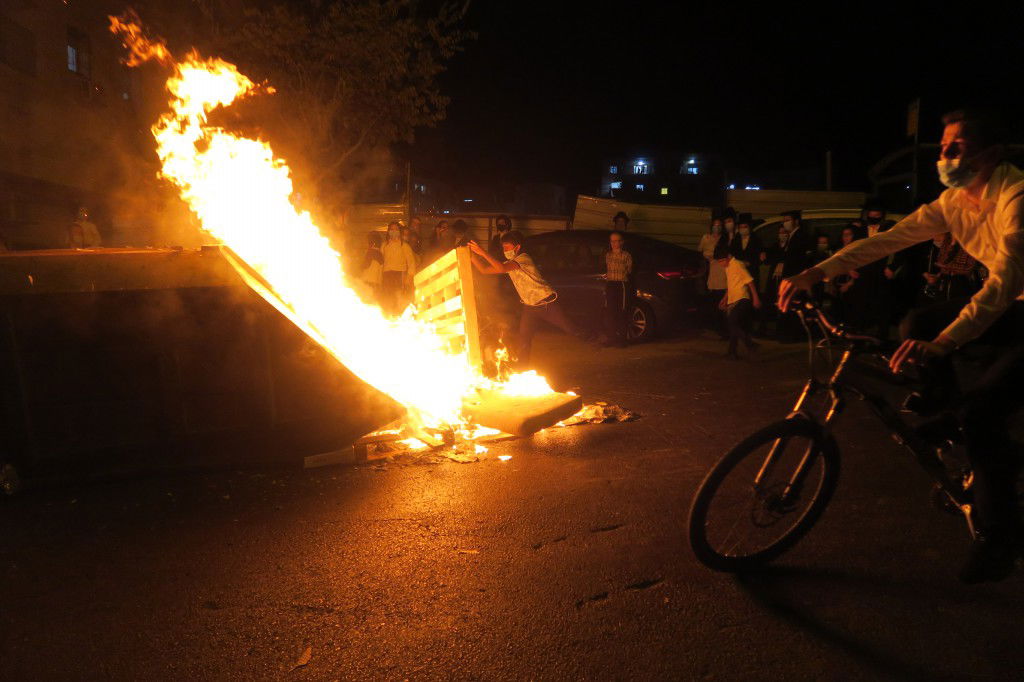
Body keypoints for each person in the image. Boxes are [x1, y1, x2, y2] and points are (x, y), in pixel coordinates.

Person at [779, 108, 1024, 583]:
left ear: (991, 155)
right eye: (945, 146)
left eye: (958, 147)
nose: (946, 154)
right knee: (917, 321)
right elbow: (888, 240)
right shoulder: (953, 202)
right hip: (1014, 305)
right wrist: (815, 272)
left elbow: (1004, 279)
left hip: (1014, 301)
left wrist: (944, 343)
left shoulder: (1016, 195)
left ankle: (1000, 540)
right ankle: (946, 408)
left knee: (983, 412)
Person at [467, 231, 588, 367]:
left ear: (517, 247)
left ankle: (594, 339)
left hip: (546, 303)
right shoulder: (510, 263)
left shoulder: (523, 259)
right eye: (503, 248)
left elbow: (500, 268)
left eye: (507, 247)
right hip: (530, 307)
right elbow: (484, 270)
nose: (505, 250)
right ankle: (522, 367)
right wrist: (471, 256)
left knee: (570, 328)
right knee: (524, 338)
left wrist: (482, 252)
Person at [714, 242, 761, 359]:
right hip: (733, 299)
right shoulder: (728, 267)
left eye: (721, 261)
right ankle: (732, 352)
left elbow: (750, 281)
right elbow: (731, 285)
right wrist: (725, 299)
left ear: (728, 256)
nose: (720, 264)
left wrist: (755, 298)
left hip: (742, 298)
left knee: (732, 322)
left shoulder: (737, 264)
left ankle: (750, 344)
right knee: (733, 325)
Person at [380, 221, 417, 316]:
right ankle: (388, 316)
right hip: (387, 275)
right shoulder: (384, 245)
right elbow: (381, 263)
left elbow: (411, 263)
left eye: (396, 229)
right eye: (391, 229)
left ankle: (398, 316)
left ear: (399, 232)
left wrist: (409, 277)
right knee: (387, 297)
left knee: (398, 297)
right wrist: (380, 277)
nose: (394, 231)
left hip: (400, 274)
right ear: (388, 231)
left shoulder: (404, 246)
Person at [699, 215, 727, 334]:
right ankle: (711, 324)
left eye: (719, 225)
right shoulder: (706, 238)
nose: (717, 227)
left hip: (720, 270)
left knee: (720, 297)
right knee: (710, 298)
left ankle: (722, 327)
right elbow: (700, 251)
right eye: (715, 225)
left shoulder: (723, 239)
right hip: (708, 269)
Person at [604, 230, 633, 346]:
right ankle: (611, 338)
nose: (614, 243)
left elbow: (629, 270)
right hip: (611, 284)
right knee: (610, 311)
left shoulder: (626, 255)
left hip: (621, 284)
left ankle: (622, 339)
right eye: (612, 241)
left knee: (622, 310)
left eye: (616, 241)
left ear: (621, 242)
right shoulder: (608, 255)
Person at [360, 231, 384, 304]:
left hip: (367, 282)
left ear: (372, 242)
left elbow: (365, 265)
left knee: (366, 302)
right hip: (376, 282)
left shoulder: (370, 252)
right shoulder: (380, 254)